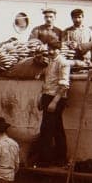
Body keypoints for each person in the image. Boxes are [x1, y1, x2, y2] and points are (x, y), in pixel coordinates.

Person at [32, 37, 72, 167]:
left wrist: (54, 102)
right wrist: (40, 97)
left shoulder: (63, 62)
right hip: (47, 96)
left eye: (54, 49)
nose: (51, 51)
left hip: (56, 98)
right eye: (50, 49)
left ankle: (45, 161)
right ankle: (60, 158)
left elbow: (64, 85)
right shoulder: (50, 61)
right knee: (56, 128)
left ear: (59, 50)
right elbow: (45, 80)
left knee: (47, 129)